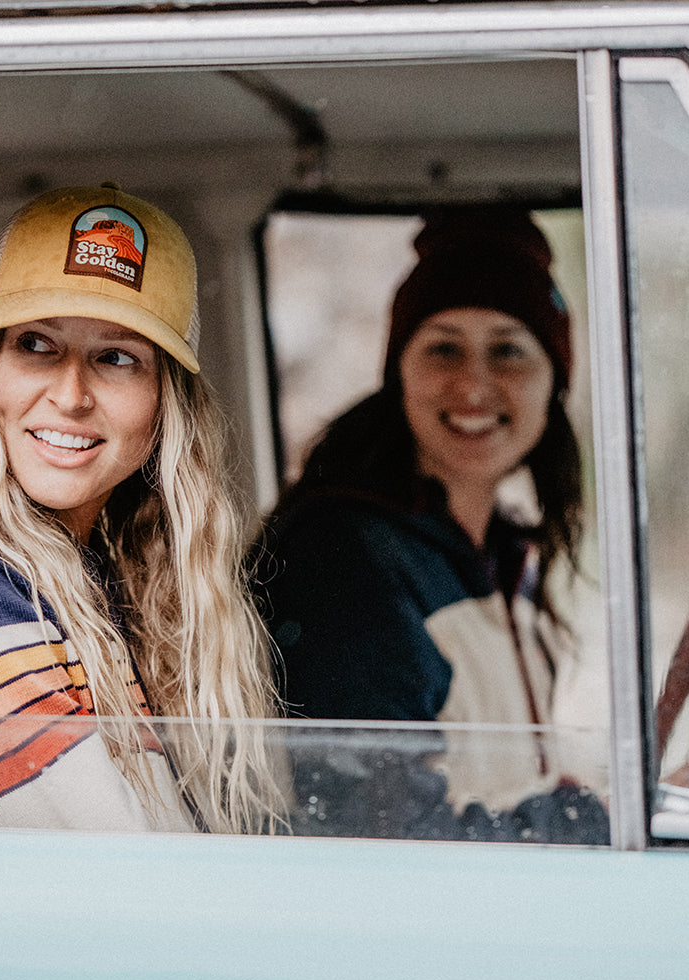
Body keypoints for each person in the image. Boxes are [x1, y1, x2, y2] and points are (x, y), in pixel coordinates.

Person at [0, 185, 287, 834]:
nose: (70, 395)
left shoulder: (104, 562)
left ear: (165, 404)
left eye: (117, 357)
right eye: (37, 344)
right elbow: (111, 899)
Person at [253, 207, 608, 840]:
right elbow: (383, 838)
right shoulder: (347, 563)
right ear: (400, 374)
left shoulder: (505, 556)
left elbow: (494, 782)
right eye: (443, 348)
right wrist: (595, 821)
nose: (474, 384)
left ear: (554, 380)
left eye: (509, 351)